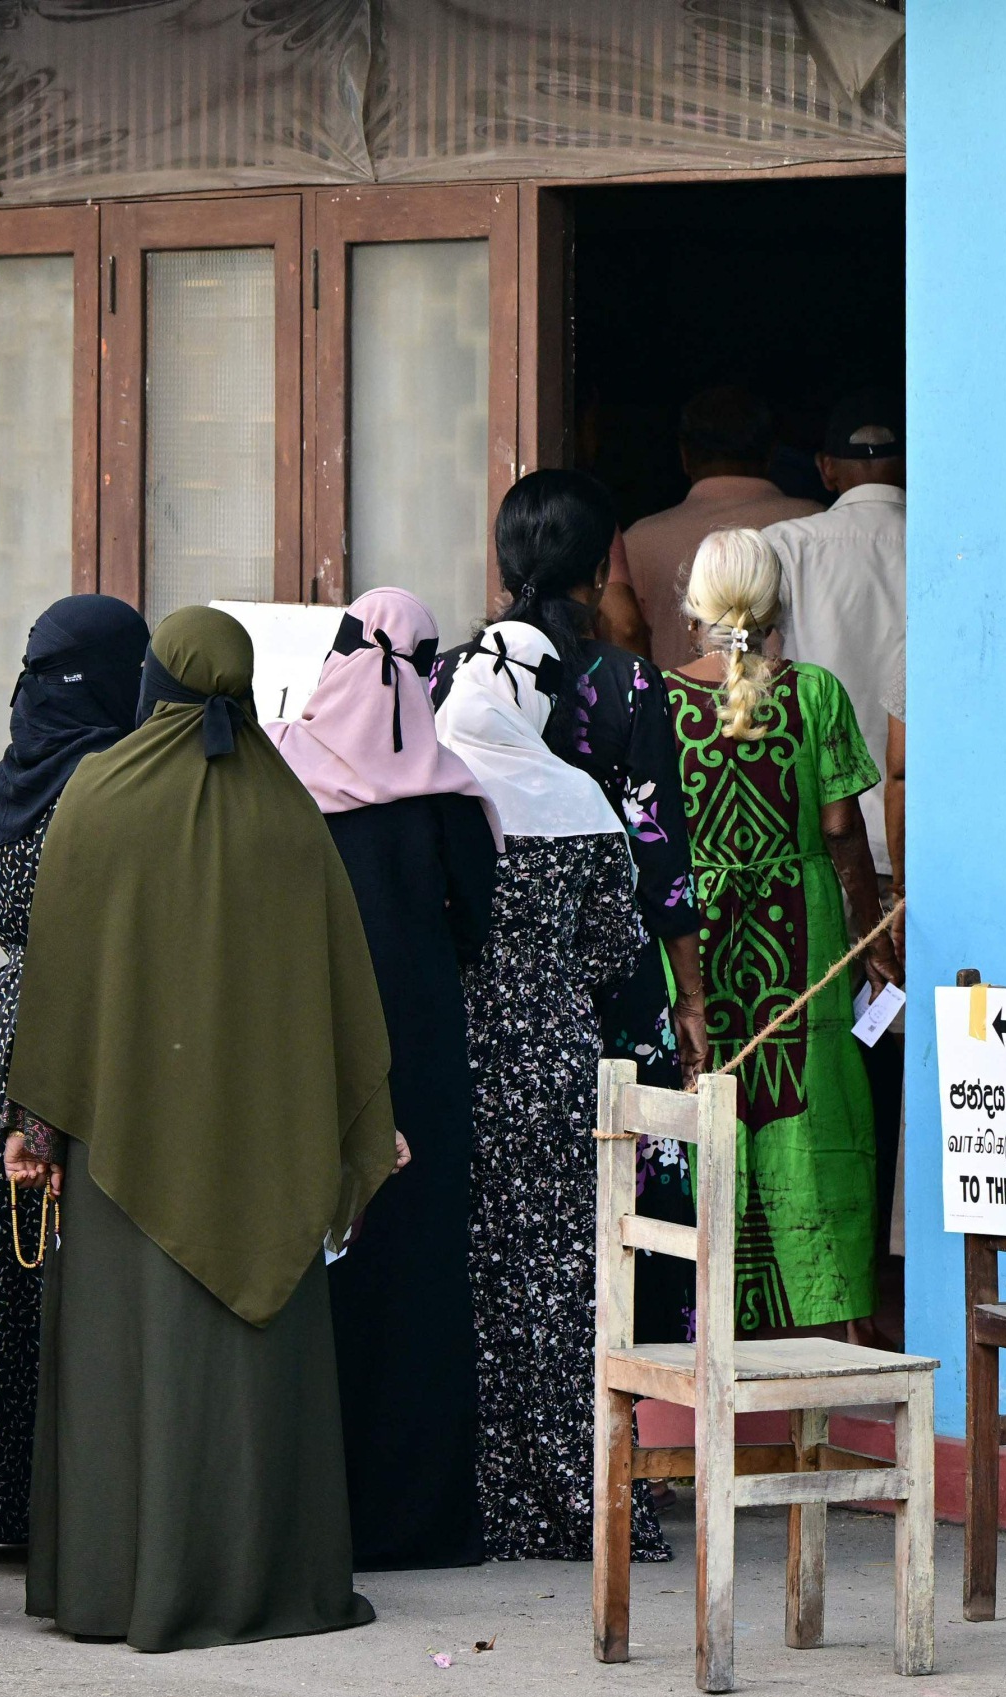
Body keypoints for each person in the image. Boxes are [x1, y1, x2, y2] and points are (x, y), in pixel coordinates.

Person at [5, 605, 397, 1652]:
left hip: (122, 1138)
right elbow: (340, 998)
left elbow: (61, 977)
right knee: (250, 1364)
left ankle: (115, 1586)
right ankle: (265, 1580)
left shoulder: (98, 795)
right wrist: (351, 1131)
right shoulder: (288, 811)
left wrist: (37, 1124)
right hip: (266, 1144)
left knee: (130, 1358)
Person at [269, 588, 499, 1572]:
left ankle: (310, 1513)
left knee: (320, 1268)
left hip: (307, 1045)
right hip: (421, 1051)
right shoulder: (447, 789)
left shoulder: (281, 765)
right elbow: (475, 928)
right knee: (419, 1274)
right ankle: (417, 1521)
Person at [435, 617, 661, 1563]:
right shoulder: (577, 799)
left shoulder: (428, 779)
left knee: (473, 1275)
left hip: (456, 1060)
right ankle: (579, 1492)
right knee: (566, 1285)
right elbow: (616, 949)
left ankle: (478, 1500)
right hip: (557, 1065)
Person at [470, 469, 710, 1342]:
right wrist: (691, 998)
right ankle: (627, 1379)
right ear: (600, 568)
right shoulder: (628, 686)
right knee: (623, 1182)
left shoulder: (462, 680)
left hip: (487, 985)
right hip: (612, 981)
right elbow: (660, 853)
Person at [666, 529, 900, 1339]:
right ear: (778, 609)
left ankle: (714, 1316)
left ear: (692, 608)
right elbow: (842, 831)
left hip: (692, 946)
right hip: (800, 946)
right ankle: (822, 1321)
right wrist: (873, 941)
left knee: (711, 1113)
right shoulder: (816, 695)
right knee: (812, 1117)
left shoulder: (660, 702)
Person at [0, 592, 149, 1550]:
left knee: (11, 1261)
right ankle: (81, 1499)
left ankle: (6, 1497)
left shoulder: (10, 777)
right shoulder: (120, 779)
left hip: (8, 1022)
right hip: (96, 1029)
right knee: (91, 1268)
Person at [762, 392, 908, 1277]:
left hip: (821, 844)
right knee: (911, 1057)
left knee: (834, 1062)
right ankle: (898, 1265)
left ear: (824, 470)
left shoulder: (791, 547)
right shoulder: (951, 530)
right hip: (919, 845)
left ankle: (828, 1261)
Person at [619, 386, 821, 666]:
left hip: (673, 709)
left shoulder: (639, 542)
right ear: (772, 452)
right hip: (791, 708)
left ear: (685, 455)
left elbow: (625, 631)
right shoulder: (817, 526)